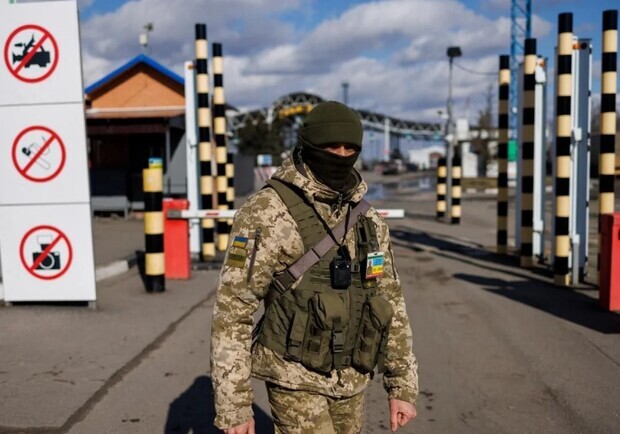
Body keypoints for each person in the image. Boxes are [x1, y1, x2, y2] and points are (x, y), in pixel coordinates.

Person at [210, 101, 418, 434]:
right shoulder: (267, 211)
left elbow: (390, 302)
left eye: (350, 148)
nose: (340, 154)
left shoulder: (367, 220)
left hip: (353, 377)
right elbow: (233, 309)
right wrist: (234, 404)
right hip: (294, 377)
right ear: (308, 147)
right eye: (330, 147)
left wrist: (402, 386)